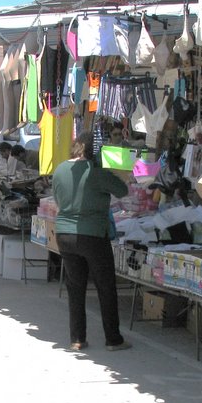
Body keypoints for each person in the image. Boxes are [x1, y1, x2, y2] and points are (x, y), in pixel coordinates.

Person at [52, 131, 131, 352]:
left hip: (64, 234)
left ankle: (77, 338)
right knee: (105, 287)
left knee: (75, 287)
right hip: (93, 234)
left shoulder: (59, 170)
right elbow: (123, 190)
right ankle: (113, 339)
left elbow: (58, 199)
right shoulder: (95, 172)